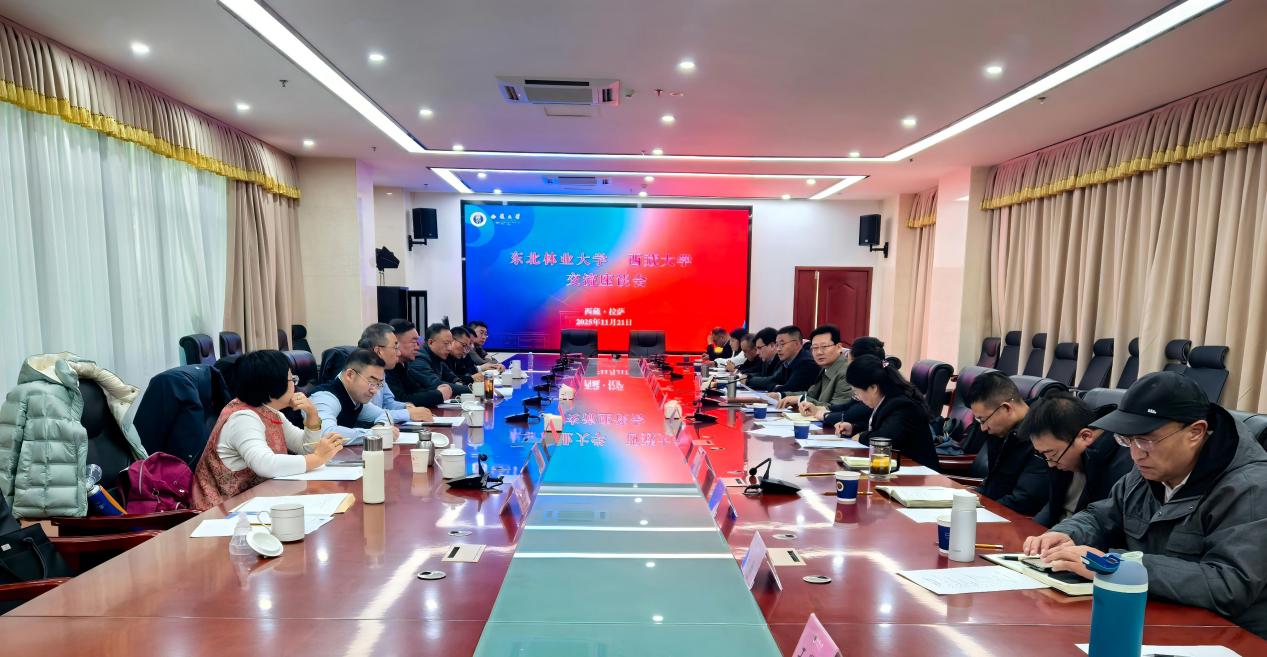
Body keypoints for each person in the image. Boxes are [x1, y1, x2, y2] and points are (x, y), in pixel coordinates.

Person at [1023, 372, 1267, 637]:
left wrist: (1117, 567)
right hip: (1154, 615)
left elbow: (1228, 585)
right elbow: (1103, 516)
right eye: (1127, 440)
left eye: (1146, 440)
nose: (1135, 454)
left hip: (1227, 635)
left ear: (1195, 432)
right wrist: (1069, 533)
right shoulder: (1150, 469)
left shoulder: (1251, 488)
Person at [192, 350, 344, 510]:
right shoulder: (243, 418)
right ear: (274, 385)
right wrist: (317, 459)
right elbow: (265, 464)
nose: (295, 385)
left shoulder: (270, 412)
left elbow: (305, 448)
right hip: (221, 511)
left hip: (253, 502)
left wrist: (312, 414)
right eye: (292, 379)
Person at [1017, 392, 1133, 527]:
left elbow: (1104, 524)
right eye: (1044, 455)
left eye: (1052, 454)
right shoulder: (1062, 456)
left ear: (1085, 436)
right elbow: (1053, 506)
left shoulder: (1123, 466)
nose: (1050, 464)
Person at [964, 371, 1050, 515]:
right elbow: (993, 483)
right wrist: (971, 498)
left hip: (1015, 520)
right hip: (994, 512)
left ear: (1006, 408)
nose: (983, 428)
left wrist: (981, 508)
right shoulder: (1001, 431)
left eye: (983, 420)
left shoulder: (1041, 434)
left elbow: (1025, 501)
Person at [832, 354, 939, 469]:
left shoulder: (902, 405)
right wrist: (854, 428)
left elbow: (885, 438)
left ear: (873, 388)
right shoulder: (888, 399)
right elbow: (884, 427)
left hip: (917, 471)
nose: (858, 397)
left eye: (857, 392)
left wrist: (861, 437)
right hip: (896, 466)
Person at [305, 349, 399, 446]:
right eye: (371, 382)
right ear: (350, 375)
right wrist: (374, 434)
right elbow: (326, 434)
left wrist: (380, 427)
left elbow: (384, 414)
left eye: (378, 384)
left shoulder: (355, 398)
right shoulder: (324, 397)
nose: (374, 391)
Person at [800, 336, 894, 428]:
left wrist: (825, 415)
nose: (847, 367)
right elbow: (848, 406)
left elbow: (853, 414)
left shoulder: (875, 386)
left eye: (849, 363)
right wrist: (821, 409)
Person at [358, 322, 433, 423]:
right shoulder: (358, 374)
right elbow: (368, 414)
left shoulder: (380, 372)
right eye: (395, 348)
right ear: (378, 351)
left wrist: (406, 406)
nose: (399, 353)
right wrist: (408, 414)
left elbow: (388, 403)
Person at [778, 324, 853, 410]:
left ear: (839, 347)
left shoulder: (846, 373)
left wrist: (800, 400)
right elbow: (811, 395)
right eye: (815, 348)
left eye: (824, 347)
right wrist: (781, 395)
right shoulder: (825, 368)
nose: (819, 352)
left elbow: (837, 408)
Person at [385, 319, 451, 407]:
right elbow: (400, 400)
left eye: (417, 342)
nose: (417, 347)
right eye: (413, 342)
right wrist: (438, 394)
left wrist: (438, 391)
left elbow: (415, 390)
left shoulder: (402, 365)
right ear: (395, 342)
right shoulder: (385, 367)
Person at [748, 325, 818, 397]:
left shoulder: (806, 363)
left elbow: (789, 390)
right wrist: (775, 386)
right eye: (777, 345)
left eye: (782, 344)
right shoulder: (787, 362)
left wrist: (775, 387)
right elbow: (773, 380)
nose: (778, 349)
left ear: (796, 344)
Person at [409, 323, 471, 396]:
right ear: (430, 342)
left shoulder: (437, 356)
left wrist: (459, 384)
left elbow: (451, 377)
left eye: (450, 343)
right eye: (446, 343)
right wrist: (472, 389)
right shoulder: (419, 359)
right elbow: (436, 384)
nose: (449, 348)